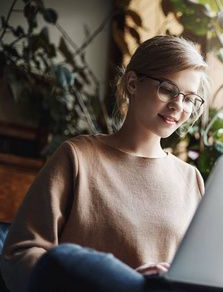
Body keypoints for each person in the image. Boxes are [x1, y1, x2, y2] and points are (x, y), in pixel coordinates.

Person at [0, 35, 210, 292]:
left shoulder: (191, 179)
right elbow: (19, 255)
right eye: (167, 89)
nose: (178, 105)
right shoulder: (77, 158)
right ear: (133, 83)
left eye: (189, 98)